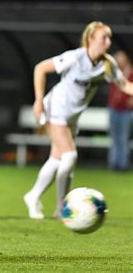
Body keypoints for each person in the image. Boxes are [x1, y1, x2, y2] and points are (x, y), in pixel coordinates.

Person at [23, 21, 133, 220]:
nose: (108, 43)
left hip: (71, 117)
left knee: (57, 160)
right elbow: (40, 69)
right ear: (90, 39)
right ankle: (63, 208)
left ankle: (33, 196)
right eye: (103, 38)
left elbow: (125, 85)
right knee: (70, 156)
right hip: (55, 108)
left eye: (109, 38)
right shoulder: (74, 57)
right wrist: (38, 100)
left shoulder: (107, 64)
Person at [108, 50, 133, 171]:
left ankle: (123, 164)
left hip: (126, 111)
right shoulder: (115, 73)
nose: (119, 63)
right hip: (114, 108)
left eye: (121, 60)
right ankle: (114, 163)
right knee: (114, 137)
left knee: (123, 138)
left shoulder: (131, 73)